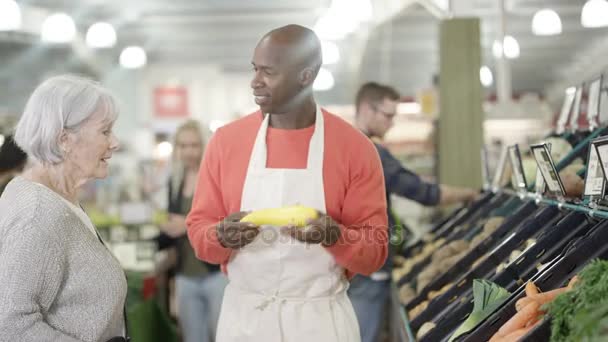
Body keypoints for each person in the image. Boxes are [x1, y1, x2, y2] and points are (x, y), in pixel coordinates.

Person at [186, 25, 388, 342]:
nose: (255, 82)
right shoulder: (226, 142)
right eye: (255, 69)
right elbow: (199, 231)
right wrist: (220, 236)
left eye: (268, 72)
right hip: (245, 322)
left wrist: (335, 235)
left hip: (320, 323)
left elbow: (375, 250)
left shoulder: (354, 148)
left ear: (305, 76)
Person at [0, 75, 127, 341]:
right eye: (105, 131)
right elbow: (10, 326)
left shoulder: (59, 197)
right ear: (64, 139)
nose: (114, 142)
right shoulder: (36, 215)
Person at [349, 81, 478, 342]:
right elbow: (422, 192)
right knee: (364, 333)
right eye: (388, 115)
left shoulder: (349, 147)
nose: (392, 123)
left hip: (354, 258)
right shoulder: (370, 152)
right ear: (366, 109)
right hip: (368, 264)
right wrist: (469, 194)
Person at [159, 120, 227, 342]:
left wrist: (186, 225)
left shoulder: (216, 178)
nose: (189, 151)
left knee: (223, 335)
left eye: (194, 145)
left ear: (204, 146)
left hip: (215, 272)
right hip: (185, 274)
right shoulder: (175, 182)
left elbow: (227, 222)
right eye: (183, 145)